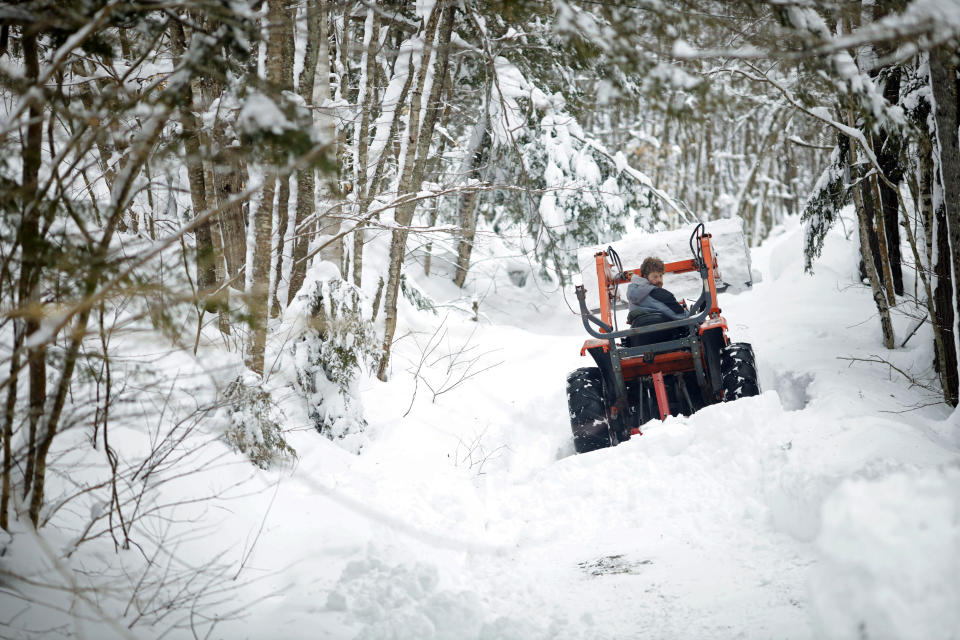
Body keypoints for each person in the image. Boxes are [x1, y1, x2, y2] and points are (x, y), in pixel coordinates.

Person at [626, 257, 687, 327]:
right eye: (655, 277)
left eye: (660, 276)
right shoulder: (657, 293)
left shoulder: (634, 292)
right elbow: (682, 316)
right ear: (645, 276)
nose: (659, 280)